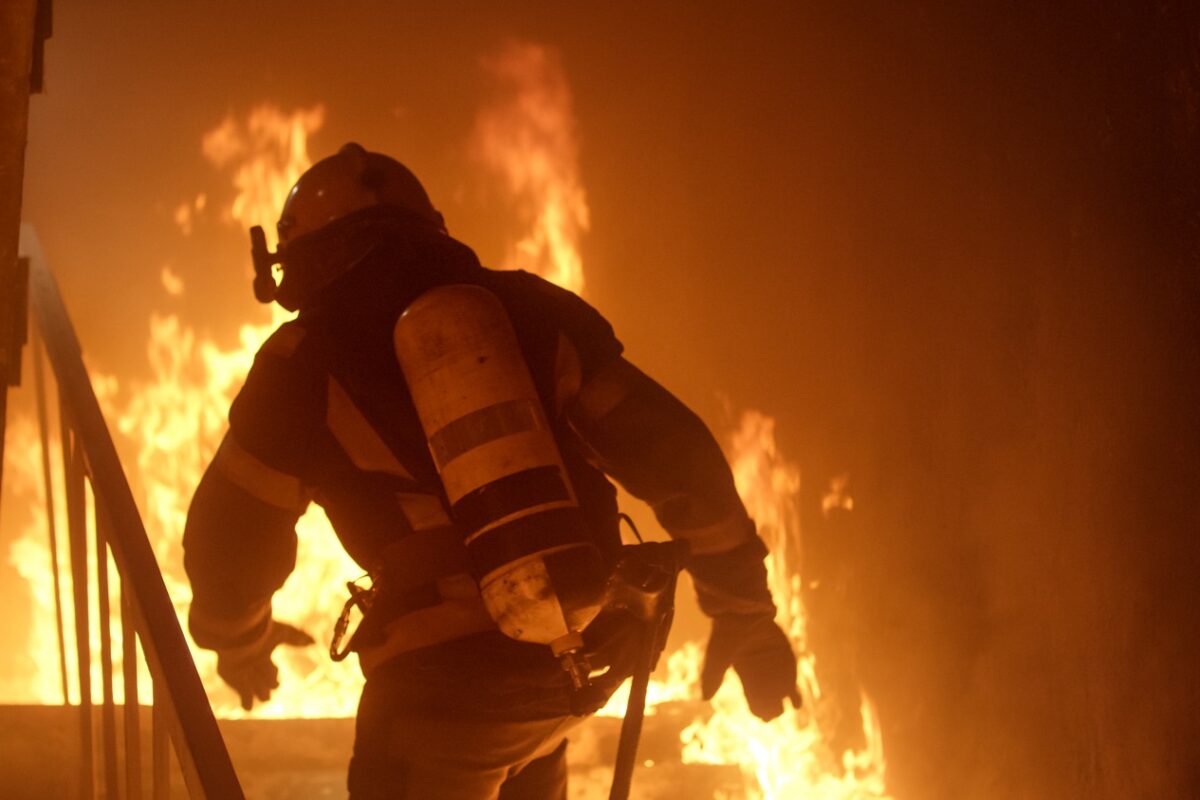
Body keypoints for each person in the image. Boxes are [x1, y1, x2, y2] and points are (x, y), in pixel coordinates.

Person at [183, 143, 799, 799]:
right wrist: (746, 614)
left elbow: (232, 537)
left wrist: (238, 640)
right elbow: (680, 461)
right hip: (572, 666)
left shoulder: (302, 363)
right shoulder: (532, 312)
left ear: (301, 261)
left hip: (439, 700)